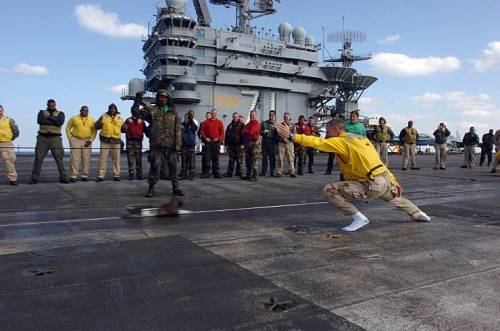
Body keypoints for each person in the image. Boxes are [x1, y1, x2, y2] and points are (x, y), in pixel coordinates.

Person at [275, 118, 431, 232]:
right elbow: (379, 162)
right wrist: (395, 182)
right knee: (395, 198)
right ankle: (417, 213)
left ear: (336, 130)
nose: (327, 135)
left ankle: (358, 218)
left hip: (371, 184)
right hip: (384, 178)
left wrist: (293, 136)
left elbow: (318, 143)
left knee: (329, 189)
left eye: (328, 132)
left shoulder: (341, 141)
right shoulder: (361, 138)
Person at [133, 90, 184, 197]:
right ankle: (151, 188)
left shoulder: (173, 111)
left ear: (168, 99)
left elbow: (177, 129)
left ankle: (176, 187)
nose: (163, 99)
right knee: (155, 167)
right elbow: (135, 113)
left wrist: (178, 145)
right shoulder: (152, 110)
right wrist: (137, 99)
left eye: (165, 97)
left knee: (173, 168)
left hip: (171, 145)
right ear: (157, 98)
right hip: (157, 145)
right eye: (161, 97)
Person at [30, 99, 68, 184]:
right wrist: (54, 120)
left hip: (55, 138)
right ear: (47, 105)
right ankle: (34, 178)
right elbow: (40, 121)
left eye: (53, 106)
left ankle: (63, 177)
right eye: (50, 106)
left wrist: (49, 118)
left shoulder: (61, 113)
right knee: (38, 158)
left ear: (55, 105)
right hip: (42, 138)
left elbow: (59, 122)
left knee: (59, 158)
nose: (52, 107)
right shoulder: (41, 112)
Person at [95, 104, 125, 181]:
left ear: (116, 110)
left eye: (114, 109)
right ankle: (101, 176)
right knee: (102, 159)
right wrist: (99, 123)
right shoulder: (103, 116)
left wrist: (125, 127)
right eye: (111, 109)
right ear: (108, 110)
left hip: (116, 141)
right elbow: (96, 126)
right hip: (105, 140)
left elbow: (124, 129)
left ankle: (116, 175)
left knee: (116, 159)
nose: (112, 110)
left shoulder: (120, 118)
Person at [66, 106, 96, 182]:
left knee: (86, 158)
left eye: (87, 110)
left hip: (87, 140)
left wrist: (91, 140)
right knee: (75, 159)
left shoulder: (92, 120)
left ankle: (85, 175)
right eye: (84, 110)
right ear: (80, 110)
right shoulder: (74, 118)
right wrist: (70, 139)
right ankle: (73, 175)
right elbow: (68, 128)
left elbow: (94, 131)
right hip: (76, 139)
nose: (85, 112)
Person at [200, 109, 224, 178]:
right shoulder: (206, 122)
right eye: (212, 113)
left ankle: (216, 172)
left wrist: (219, 138)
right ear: (211, 114)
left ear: (216, 114)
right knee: (207, 158)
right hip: (208, 143)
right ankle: (207, 172)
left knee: (216, 158)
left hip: (216, 143)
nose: (214, 115)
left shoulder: (220, 122)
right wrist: (205, 138)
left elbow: (222, 133)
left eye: (215, 114)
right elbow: (202, 131)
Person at [123, 108, 146, 180]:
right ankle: (131, 174)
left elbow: (145, 130)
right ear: (131, 112)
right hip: (130, 141)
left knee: (138, 159)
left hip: (138, 141)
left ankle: (139, 174)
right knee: (130, 159)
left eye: (136, 111)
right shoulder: (128, 120)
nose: (135, 112)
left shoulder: (141, 121)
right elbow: (123, 130)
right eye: (134, 111)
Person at [0, 105, 19, 185]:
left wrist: (11, 138)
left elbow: (16, 131)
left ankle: (12, 179)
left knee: (9, 160)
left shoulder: (9, 120)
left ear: (3, 111)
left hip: (5, 143)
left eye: (0, 110)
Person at [224, 112, 245, 177]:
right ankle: (229, 173)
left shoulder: (242, 125)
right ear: (232, 117)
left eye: (236, 116)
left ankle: (239, 172)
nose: (235, 118)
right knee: (231, 160)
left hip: (239, 145)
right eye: (234, 116)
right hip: (231, 145)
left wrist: (243, 144)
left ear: (238, 117)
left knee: (239, 160)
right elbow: (227, 135)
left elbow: (244, 135)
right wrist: (226, 144)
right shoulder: (230, 125)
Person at [241, 110, 260, 181]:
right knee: (247, 159)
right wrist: (247, 131)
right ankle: (248, 175)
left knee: (254, 159)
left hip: (254, 143)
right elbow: (243, 132)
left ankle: (255, 176)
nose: (252, 116)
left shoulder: (256, 123)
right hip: (248, 143)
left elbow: (251, 132)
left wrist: (246, 131)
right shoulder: (248, 124)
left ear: (255, 115)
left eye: (253, 115)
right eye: (251, 115)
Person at [276, 112, 296, 178]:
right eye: (285, 117)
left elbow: (294, 135)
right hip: (281, 143)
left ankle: (292, 172)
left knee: (291, 158)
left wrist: (290, 138)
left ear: (289, 118)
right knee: (280, 158)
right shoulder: (280, 125)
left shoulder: (292, 125)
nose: (286, 119)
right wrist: (283, 139)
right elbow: (278, 134)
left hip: (289, 143)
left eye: (287, 117)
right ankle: (279, 172)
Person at [180, 110, 198, 180]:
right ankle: (184, 174)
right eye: (185, 118)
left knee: (191, 162)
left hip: (191, 146)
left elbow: (195, 129)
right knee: (183, 161)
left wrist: (191, 120)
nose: (186, 119)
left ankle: (192, 174)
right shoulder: (181, 125)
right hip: (183, 146)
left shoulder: (192, 125)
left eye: (187, 118)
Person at [260, 110, 278, 176]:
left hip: (272, 141)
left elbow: (278, 135)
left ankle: (272, 171)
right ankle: (263, 171)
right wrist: (263, 132)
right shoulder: (264, 123)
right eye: (270, 114)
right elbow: (259, 131)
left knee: (272, 157)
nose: (271, 116)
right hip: (265, 140)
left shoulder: (276, 124)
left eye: (272, 115)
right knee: (264, 157)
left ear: (274, 116)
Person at [198, 112, 211, 177]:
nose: (208, 117)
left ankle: (208, 171)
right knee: (204, 158)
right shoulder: (202, 123)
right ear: (205, 117)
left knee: (210, 158)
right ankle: (203, 171)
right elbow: (199, 133)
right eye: (207, 116)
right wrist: (202, 138)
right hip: (205, 143)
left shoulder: (212, 123)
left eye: (209, 116)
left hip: (211, 143)